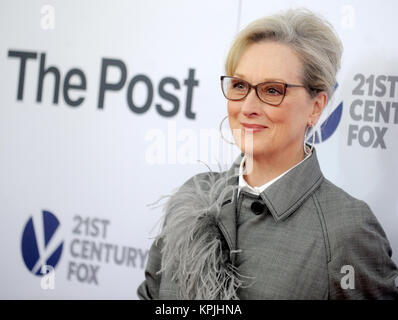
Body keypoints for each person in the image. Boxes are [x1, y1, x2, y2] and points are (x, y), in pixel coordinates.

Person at [137, 8, 398, 300]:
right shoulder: (194, 196)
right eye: (239, 85)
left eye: (272, 91)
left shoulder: (347, 229)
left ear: (315, 107)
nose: (247, 106)